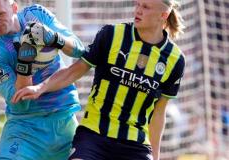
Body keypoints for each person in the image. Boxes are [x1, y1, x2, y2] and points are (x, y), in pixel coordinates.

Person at [13, 0, 186, 159]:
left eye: (146, 7)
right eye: (138, 4)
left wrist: (155, 157)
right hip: (93, 135)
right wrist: (40, 88)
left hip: (135, 144)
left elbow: (158, 114)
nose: (138, 10)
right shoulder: (112, 34)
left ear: (163, 15)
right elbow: (75, 70)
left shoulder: (175, 59)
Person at [0, 0, 85, 159]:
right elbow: (21, 103)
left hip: (64, 123)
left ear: (14, 7)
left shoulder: (36, 15)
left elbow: (79, 50)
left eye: (0, 14)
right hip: (25, 130)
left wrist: (55, 38)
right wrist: (25, 62)